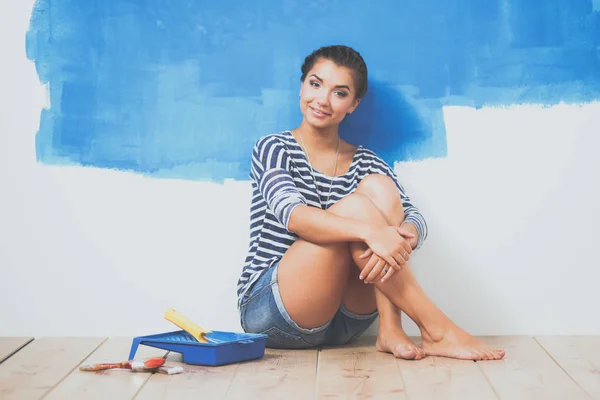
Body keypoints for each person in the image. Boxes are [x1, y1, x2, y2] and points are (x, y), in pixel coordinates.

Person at [236, 45, 505, 360]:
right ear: (302, 85)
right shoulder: (273, 147)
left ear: (353, 104)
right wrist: (370, 231)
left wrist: (404, 234)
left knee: (379, 188)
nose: (322, 99)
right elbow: (293, 216)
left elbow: (413, 216)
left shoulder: (366, 161)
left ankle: (391, 329)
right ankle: (437, 329)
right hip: (273, 312)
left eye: (340, 93)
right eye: (315, 83)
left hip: (346, 322)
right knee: (359, 209)